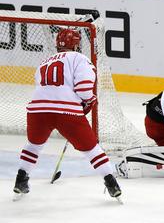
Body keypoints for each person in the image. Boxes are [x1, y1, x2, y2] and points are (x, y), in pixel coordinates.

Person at [13, 28, 121, 200]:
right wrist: (88, 100)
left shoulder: (44, 62)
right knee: (92, 149)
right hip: (66, 112)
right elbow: (85, 88)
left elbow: (43, 87)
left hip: (37, 110)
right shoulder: (80, 58)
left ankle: (21, 179)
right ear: (77, 45)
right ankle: (111, 182)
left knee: (34, 146)